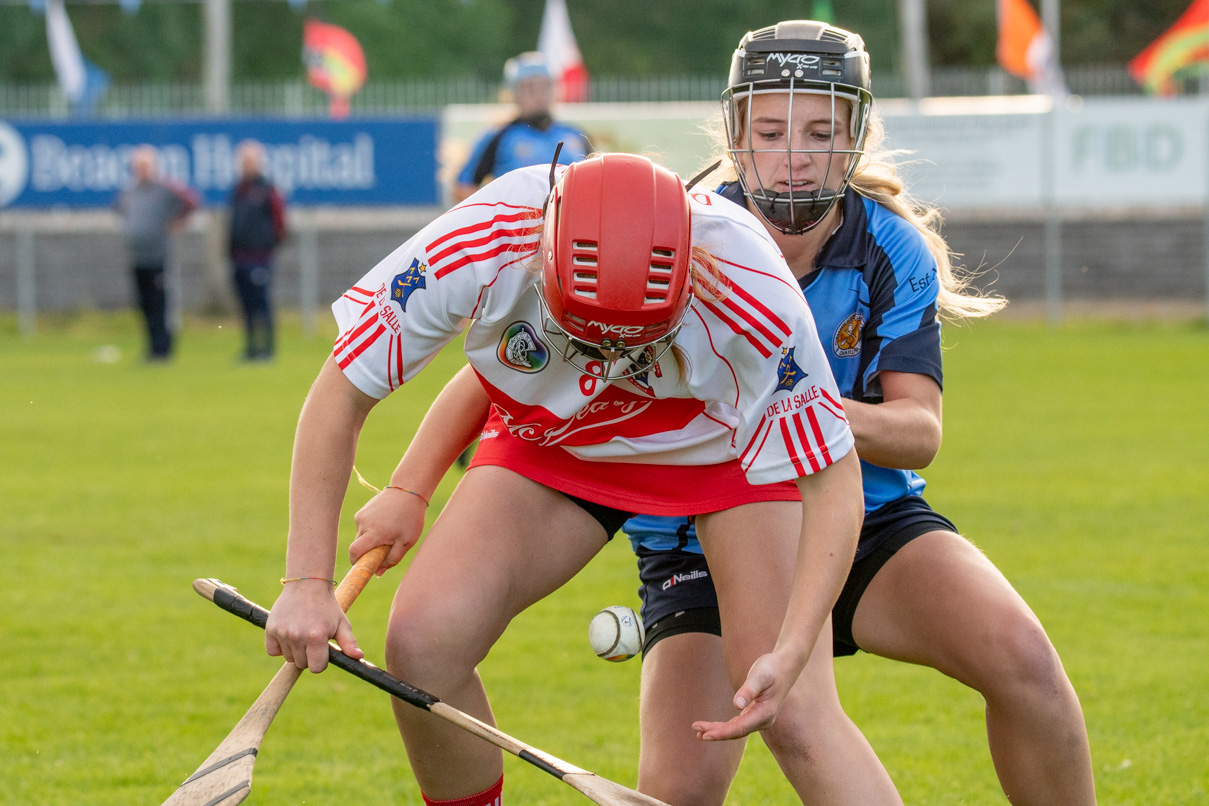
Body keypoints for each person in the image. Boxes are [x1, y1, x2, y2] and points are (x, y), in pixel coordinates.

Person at [264, 152, 903, 805]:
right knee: (425, 641)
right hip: (553, 440)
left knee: (794, 713)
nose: (611, 360)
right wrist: (307, 580)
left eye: (634, 343)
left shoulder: (750, 284)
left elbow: (834, 481)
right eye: (588, 341)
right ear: (541, 254)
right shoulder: (478, 240)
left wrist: (793, 648)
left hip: (727, 452)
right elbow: (341, 394)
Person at [618, 21, 1096, 805]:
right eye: (771, 131)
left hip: (868, 520)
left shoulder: (889, 247)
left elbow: (917, 434)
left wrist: (800, 405)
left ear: (854, 137)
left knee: (1026, 666)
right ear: (736, 132)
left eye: (818, 131)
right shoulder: (681, 238)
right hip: (706, 545)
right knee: (681, 789)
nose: (794, 153)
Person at [451, 51, 592, 204]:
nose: (538, 94)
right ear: (513, 93)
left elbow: (595, 183)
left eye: (545, 86)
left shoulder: (576, 135)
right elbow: (462, 188)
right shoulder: (498, 137)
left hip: (567, 225)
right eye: (528, 87)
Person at [114, 145, 197, 361]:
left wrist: (178, 222)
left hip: (158, 256)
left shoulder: (164, 189)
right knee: (144, 304)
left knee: (161, 304)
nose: (141, 170)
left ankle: (164, 349)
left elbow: (191, 201)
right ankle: (151, 347)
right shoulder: (130, 191)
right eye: (138, 166)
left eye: (145, 166)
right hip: (137, 257)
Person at [227, 139, 287, 362]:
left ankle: (268, 348)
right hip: (239, 256)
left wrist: (268, 245)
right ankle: (251, 347)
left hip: (259, 256)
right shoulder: (237, 189)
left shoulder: (267, 189)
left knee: (262, 303)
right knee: (246, 305)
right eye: (243, 161)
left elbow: (280, 222)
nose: (246, 165)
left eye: (250, 161)